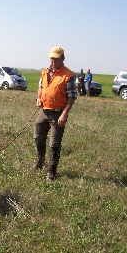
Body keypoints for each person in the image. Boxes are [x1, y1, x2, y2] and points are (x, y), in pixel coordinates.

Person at [35, 46, 77, 180]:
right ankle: (40, 162)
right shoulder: (45, 72)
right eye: (51, 58)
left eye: (56, 58)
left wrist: (64, 114)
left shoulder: (68, 75)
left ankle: (52, 171)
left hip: (58, 113)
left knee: (54, 143)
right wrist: (38, 98)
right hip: (44, 111)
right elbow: (41, 87)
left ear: (62, 59)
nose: (53, 61)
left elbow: (72, 96)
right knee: (38, 138)